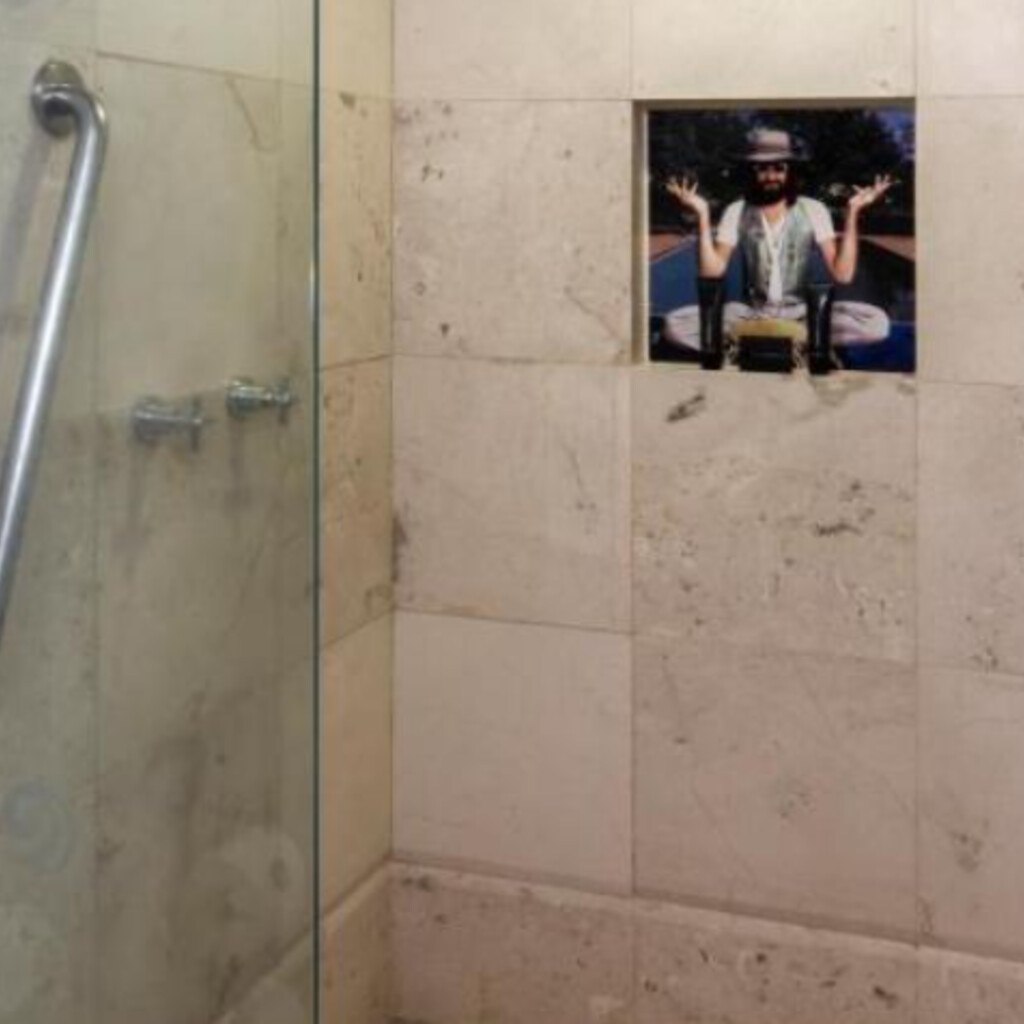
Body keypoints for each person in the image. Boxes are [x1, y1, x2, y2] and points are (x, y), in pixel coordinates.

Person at [661, 127, 894, 356]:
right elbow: (711, 273)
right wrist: (702, 215)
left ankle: (758, 340)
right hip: (750, 313)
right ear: (752, 171)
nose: (771, 176)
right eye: (763, 169)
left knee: (876, 323)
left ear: (790, 170)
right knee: (675, 325)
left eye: (778, 168)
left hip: (801, 313)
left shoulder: (814, 209)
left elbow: (842, 275)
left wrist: (852, 212)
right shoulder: (736, 210)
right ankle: (795, 340)